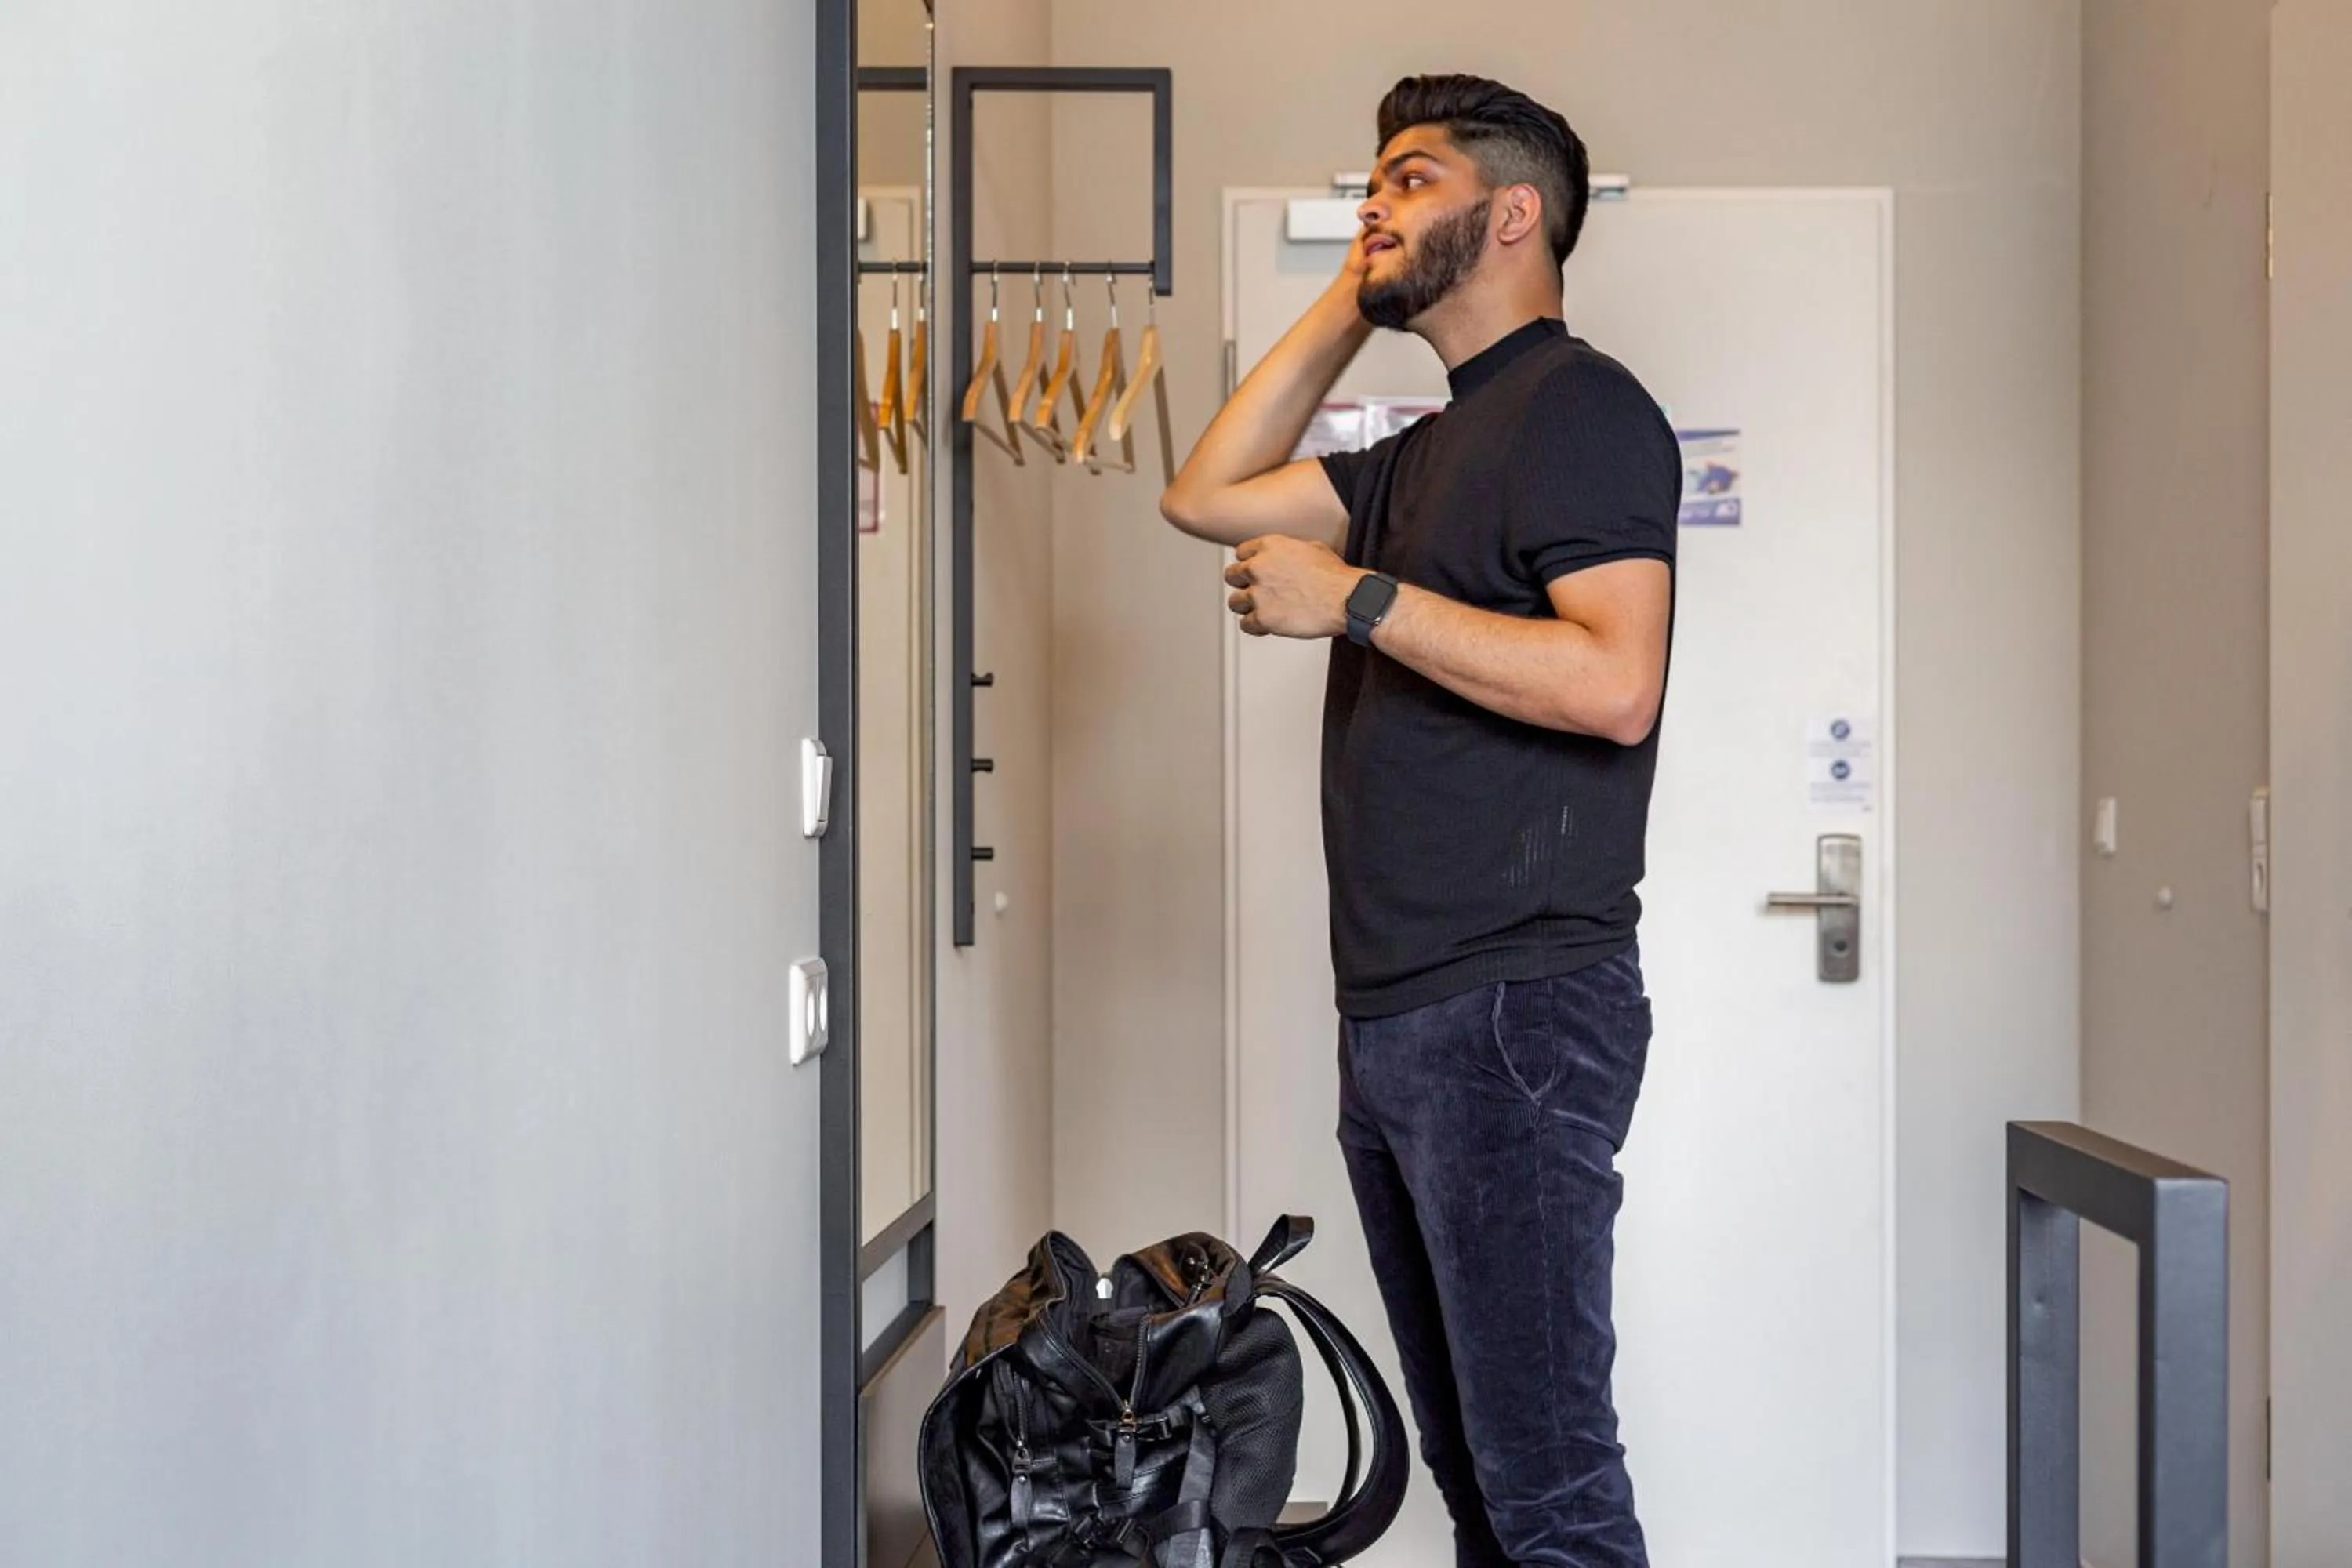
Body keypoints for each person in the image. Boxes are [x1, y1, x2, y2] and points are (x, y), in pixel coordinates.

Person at [1160, 74, 1681, 1568]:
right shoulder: (1426, 450)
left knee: (1550, 1487)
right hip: (1401, 1016)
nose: (1371, 203)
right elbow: (1205, 495)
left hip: (1516, 1007)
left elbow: (1616, 685)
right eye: (1366, 187)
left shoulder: (1578, 408)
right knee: (1474, 1478)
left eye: (1410, 180)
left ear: (1513, 214)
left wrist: (1360, 603)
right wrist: (1353, 287)